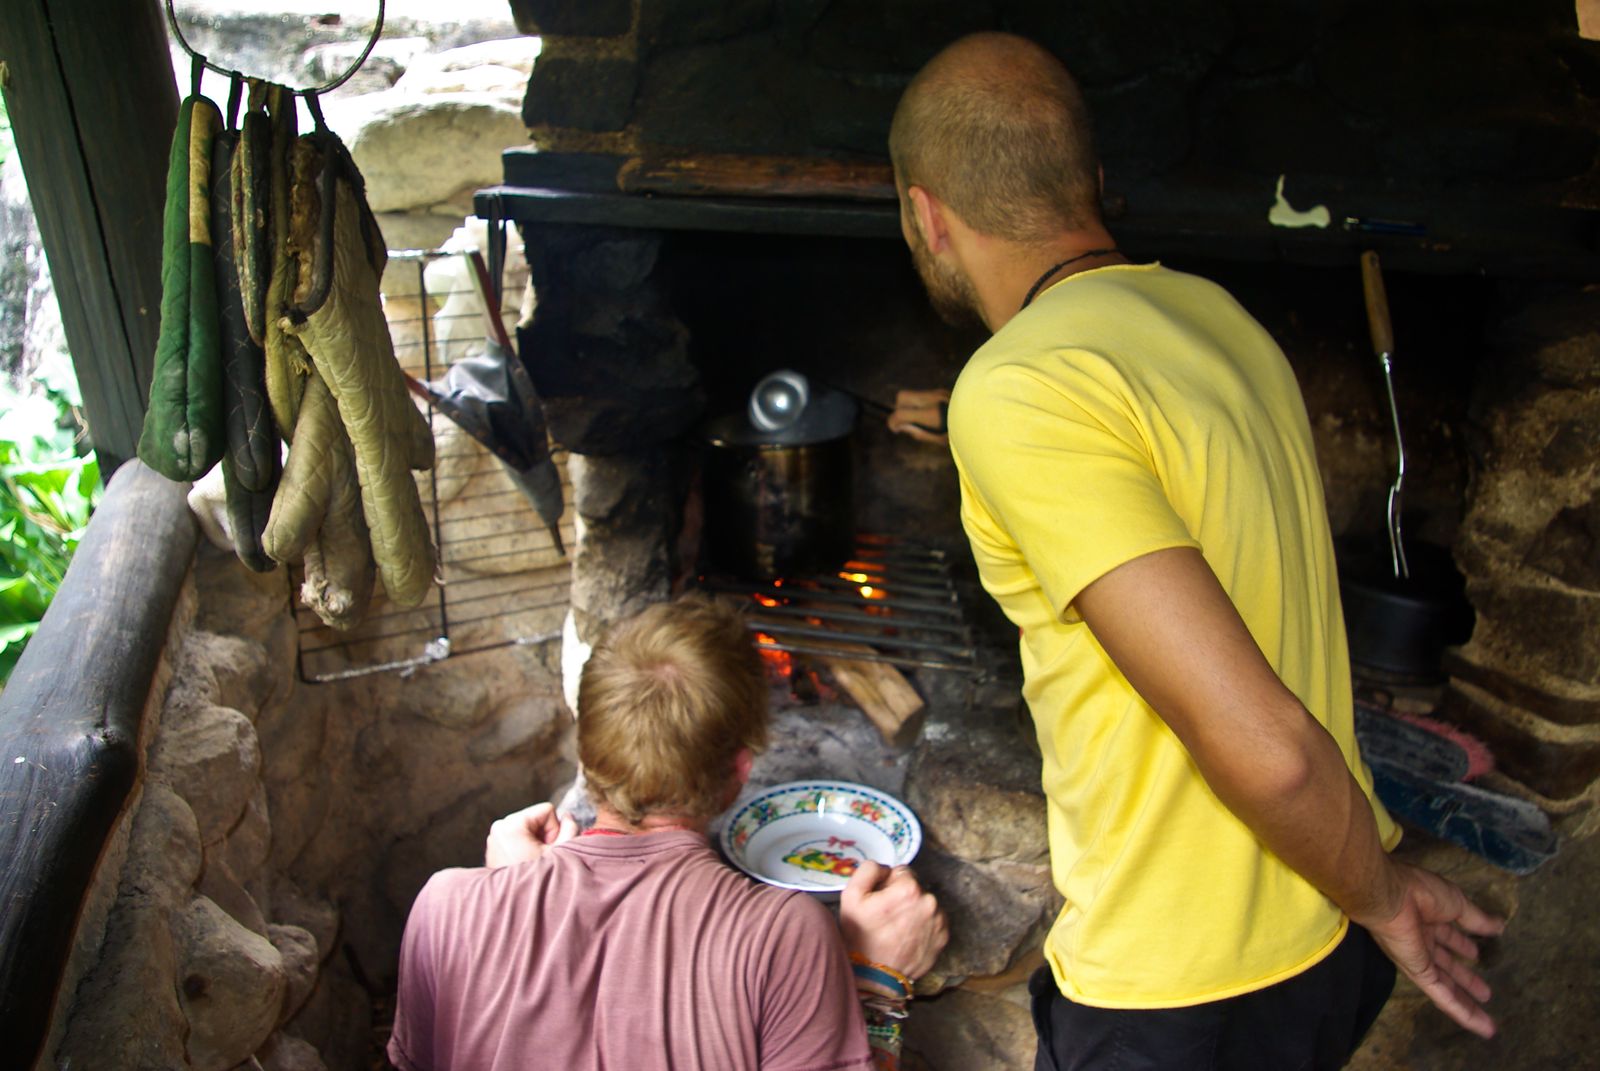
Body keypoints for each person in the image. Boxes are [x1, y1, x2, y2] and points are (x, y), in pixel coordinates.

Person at [885, 32, 1504, 1070]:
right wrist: (1367, 893)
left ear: (925, 215)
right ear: (1090, 182)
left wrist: (1391, 896)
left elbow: (1261, 746)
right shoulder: (1216, 318)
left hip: (1178, 992)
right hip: (1317, 945)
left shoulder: (1019, 383)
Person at [387, 594, 948, 1071]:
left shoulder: (444, 907)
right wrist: (876, 983)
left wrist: (503, 893)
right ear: (740, 770)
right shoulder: (783, 936)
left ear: (588, 751)